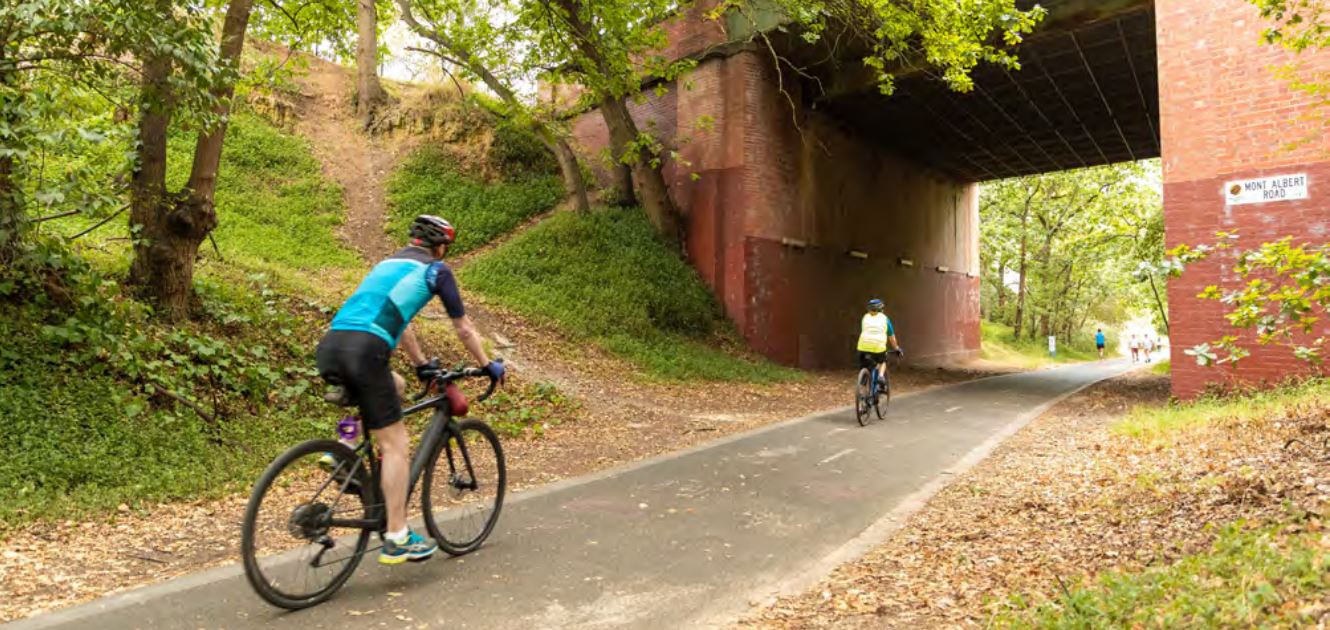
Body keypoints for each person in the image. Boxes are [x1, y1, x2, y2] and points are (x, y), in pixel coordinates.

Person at [316, 215, 505, 565]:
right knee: (397, 445)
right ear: (442, 246)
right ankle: (397, 535)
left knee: (396, 385)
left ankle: (343, 448)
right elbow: (463, 328)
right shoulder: (437, 271)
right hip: (366, 349)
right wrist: (487, 362)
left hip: (331, 344)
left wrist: (419, 365)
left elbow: (399, 321)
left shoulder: (386, 264)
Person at [857, 299, 902, 391]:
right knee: (882, 361)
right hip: (878, 347)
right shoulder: (885, 319)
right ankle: (881, 377)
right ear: (881, 309)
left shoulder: (865, 317)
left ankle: (864, 378)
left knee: (866, 364)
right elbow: (891, 337)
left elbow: (864, 331)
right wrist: (896, 348)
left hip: (862, 346)